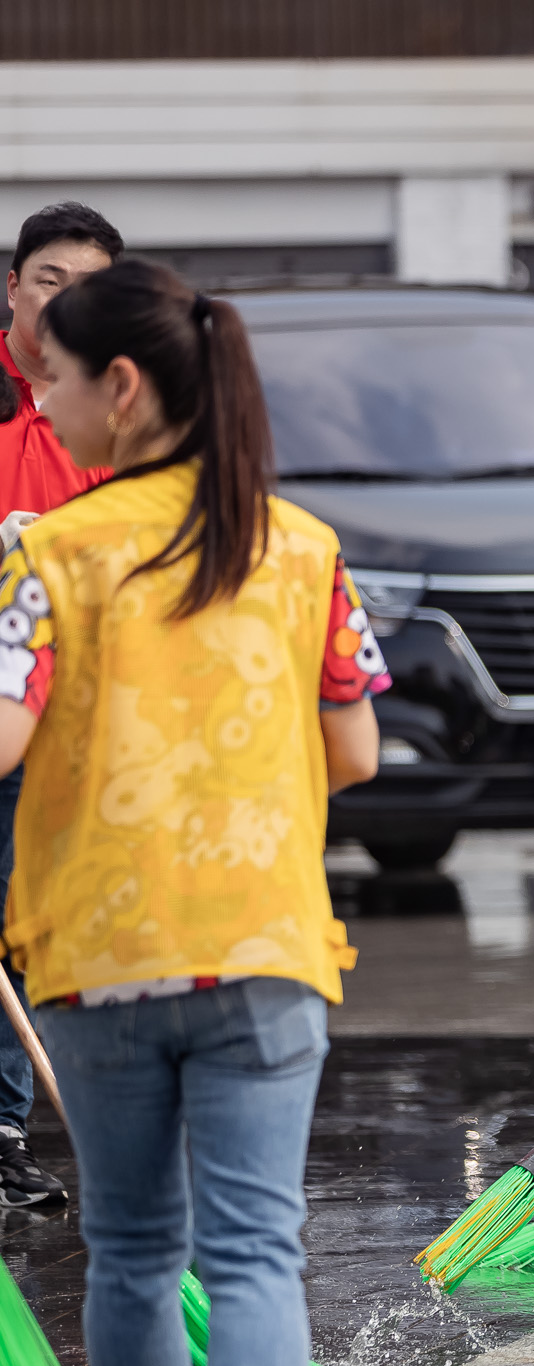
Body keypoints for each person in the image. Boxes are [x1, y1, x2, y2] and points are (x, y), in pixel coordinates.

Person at [0, 259, 387, 1366]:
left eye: (44, 378)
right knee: (254, 1250)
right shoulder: (303, 547)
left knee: (133, 1250)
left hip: (99, 956)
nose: (36, 403)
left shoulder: (49, 554)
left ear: (118, 386)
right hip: (267, 943)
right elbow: (357, 746)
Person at [0, 200, 121, 1210]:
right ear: (13, 289)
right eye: (48, 280)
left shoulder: (117, 421)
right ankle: (3, 1131)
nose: (64, 303)